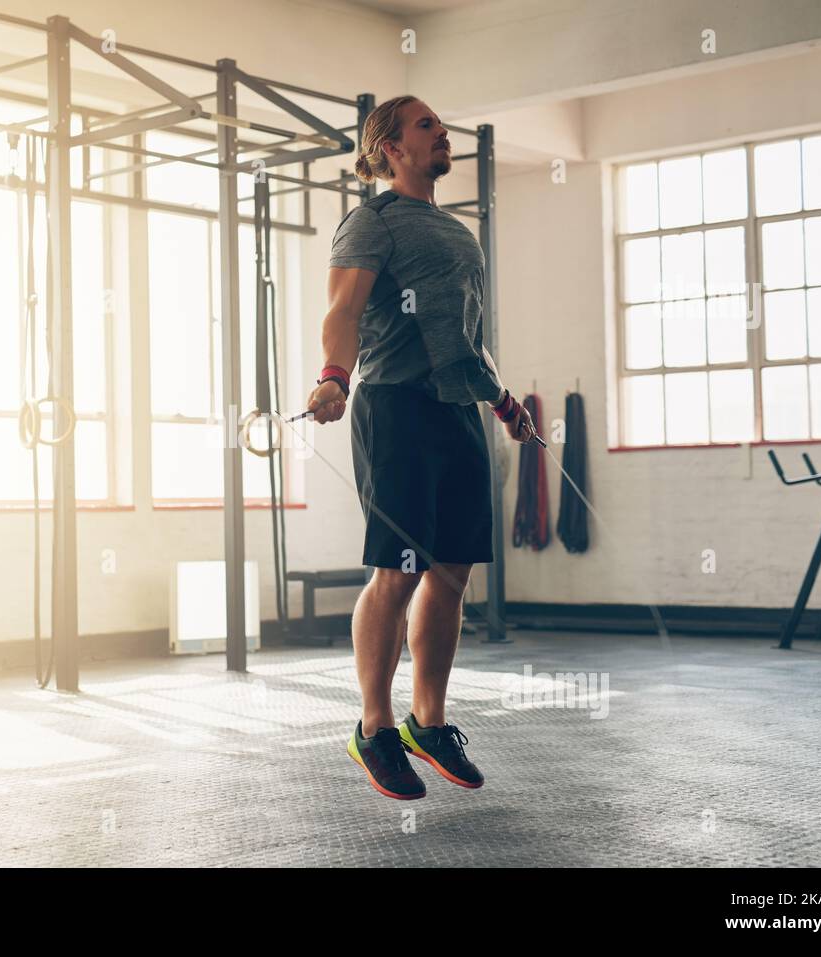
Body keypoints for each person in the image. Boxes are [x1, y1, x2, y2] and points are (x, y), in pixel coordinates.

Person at [306, 95, 537, 800]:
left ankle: (427, 721)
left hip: (457, 409)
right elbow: (343, 309)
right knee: (398, 568)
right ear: (390, 147)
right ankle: (374, 727)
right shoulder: (371, 221)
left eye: (442, 124)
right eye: (427, 125)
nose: (443, 134)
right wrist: (333, 378)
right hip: (396, 403)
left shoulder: (459, 233)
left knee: (452, 571)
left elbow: (466, 335)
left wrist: (500, 401)